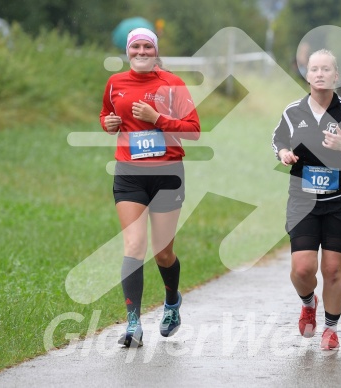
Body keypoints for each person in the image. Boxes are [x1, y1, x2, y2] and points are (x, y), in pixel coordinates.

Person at [99, 27, 200, 348]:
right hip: (129, 173)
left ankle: (172, 301)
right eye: (135, 47)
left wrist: (158, 118)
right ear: (128, 51)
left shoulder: (173, 84)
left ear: (155, 51)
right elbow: (106, 113)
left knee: (163, 251)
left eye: (147, 47)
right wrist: (108, 123)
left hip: (167, 174)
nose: (141, 52)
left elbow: (194, 130)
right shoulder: (115, 83)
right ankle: (133, 324)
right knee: (133, 246)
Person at [271, 49, 341, 350]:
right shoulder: (293, 112)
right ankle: (308, 303)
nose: (319, 74)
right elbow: (278, 140)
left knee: (332, 270)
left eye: (326, 69)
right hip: (303, 199)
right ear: (307, 75)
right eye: (314, 69)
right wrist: (283, 154)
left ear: (336, 76)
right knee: (302, 269)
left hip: (340, 199)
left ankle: (330, 329)